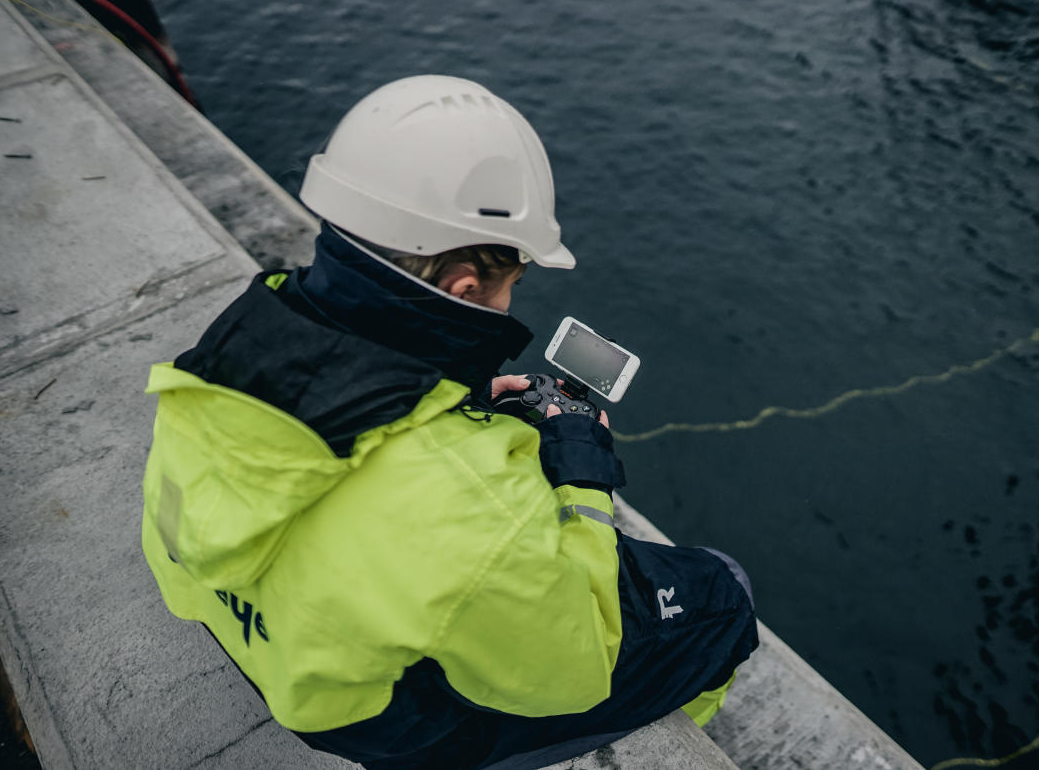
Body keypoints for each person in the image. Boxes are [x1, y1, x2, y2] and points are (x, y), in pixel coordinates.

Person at [140, 75, 758, 769]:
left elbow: (332, 412)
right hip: (379, 720)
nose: (506, 302)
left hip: (259, 638)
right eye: (510, 285)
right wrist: (583, 471)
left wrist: (443, 397)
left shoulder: (229, 347)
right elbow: (572, 666)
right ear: (464, 286)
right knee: (723, 591)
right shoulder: (476, 510)